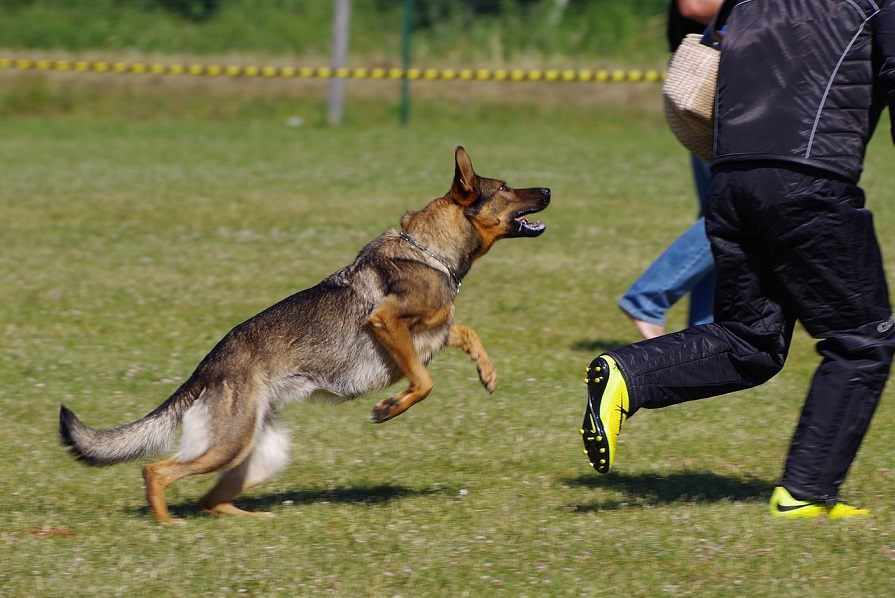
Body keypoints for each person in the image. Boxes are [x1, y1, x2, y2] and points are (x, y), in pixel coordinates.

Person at [581, 0, 895, 519]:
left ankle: (627, 373)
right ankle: (806, 493)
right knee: (863, 341)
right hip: (808, 180)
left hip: (730, 180)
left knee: (752, 338)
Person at [617, 0, 723, 340]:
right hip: (722, 90)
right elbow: (693, 6)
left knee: (717, 213)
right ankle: (648, 298)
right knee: (731, 216)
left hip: (723, 88)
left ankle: (704, 332)